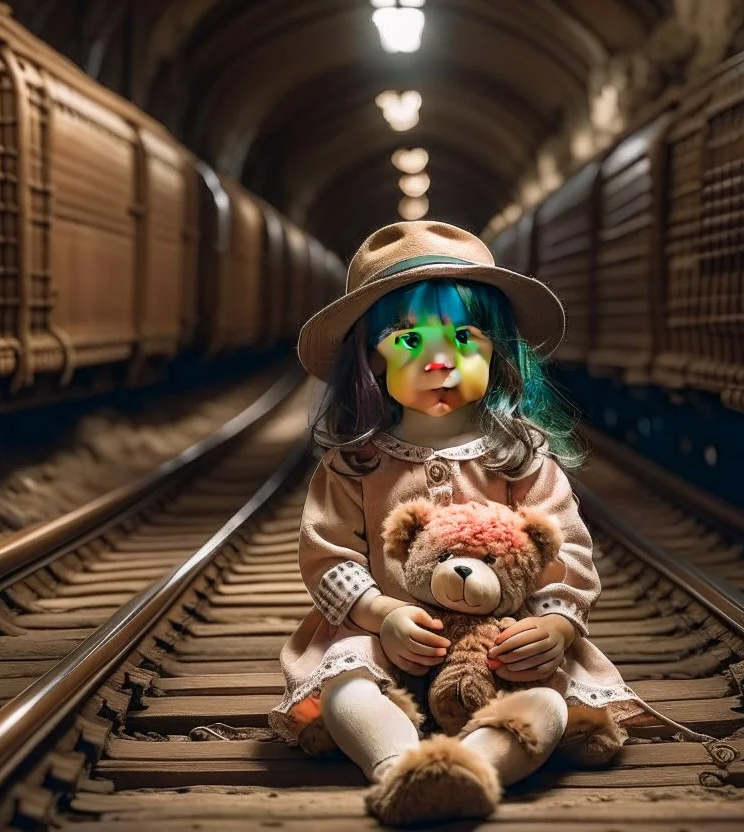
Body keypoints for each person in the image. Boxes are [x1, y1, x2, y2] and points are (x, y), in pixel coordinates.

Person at [269, 221, 656, 825]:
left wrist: (555, 626)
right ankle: (397, 767)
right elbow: (329, 556)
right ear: (368, 358)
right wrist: (383, 615)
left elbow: (566, 551)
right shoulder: (355, 464)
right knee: (346, 683)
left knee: (545, 705)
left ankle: (471, 768)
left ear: (498, 350)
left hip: (501, 647)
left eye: (465, 337)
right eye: (407, 341)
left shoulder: (521, 457)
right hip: (386, 639)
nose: (440, 360)